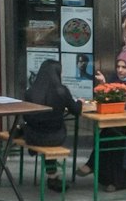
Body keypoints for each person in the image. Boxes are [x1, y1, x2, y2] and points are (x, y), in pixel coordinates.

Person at [82, 50, 126, 188]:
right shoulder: (115, 78)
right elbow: (109, 97)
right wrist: (103, 84)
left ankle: (115, 179)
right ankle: (108, 179)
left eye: (124, 67)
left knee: (113, 136)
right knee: (110, 134)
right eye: (118, 66)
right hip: (118, 120)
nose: (120, 70)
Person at [20, 59, 81, 191]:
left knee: (40, 129)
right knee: (52, 131)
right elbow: (76, 110)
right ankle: (53, 177)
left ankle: (52, 175)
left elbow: (26, 116)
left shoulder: (30, 92)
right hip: (56, 137)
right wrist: (80, 102)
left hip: (33, 136)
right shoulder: (62, 91)